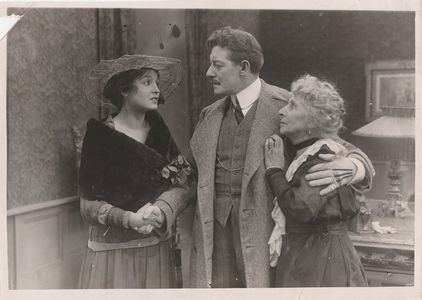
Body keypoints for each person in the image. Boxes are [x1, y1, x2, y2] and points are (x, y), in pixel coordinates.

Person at [188, 27, 375, 288]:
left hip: (264, 241)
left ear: (243, 67)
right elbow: (190, 178)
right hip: (214, 239)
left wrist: (354, 165)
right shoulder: (209, 115)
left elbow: (344, 148)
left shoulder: (286, 106)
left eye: (217, 65)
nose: (209, 73)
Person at [78, 55, 191, 288]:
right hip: (112, 254)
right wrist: (129, 219)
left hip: (154, 251)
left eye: (157, 83)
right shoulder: (100, 136)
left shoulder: (159, 132)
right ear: (124, 89)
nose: (156, 90)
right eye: (147, 82)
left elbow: (183, 183)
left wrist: (161, 210)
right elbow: (86, 206)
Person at [264, 74, 368, 287]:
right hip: (307, 252)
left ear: (313, 120)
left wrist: (274, 171)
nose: (281, 111)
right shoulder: (303, 154)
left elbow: (300, 206)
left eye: (292, 106)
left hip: (322, 257)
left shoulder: (323, 156)